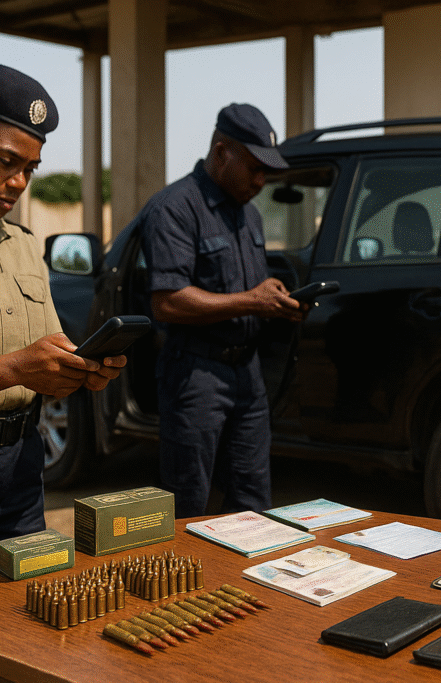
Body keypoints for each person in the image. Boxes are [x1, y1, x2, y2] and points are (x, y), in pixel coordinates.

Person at [0, 62, 126, 568]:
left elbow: (43, 360)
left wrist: (78, 371)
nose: (19, 181)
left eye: (30, 168)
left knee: (22, 624)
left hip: (23, 473)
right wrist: (15, 368)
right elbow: (19, 365)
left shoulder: (24, 246)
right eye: (6, 161)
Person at [139, 103, 304, 519]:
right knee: (189, 502)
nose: (261, 180)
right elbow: (168, 301)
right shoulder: (174, 208)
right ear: (220, 152)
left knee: (253, 504)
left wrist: (275, 303)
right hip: (196, 375)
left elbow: (249, 290)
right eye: (253, 168)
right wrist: (253, 300)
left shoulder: (249, 214)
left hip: (247, 375)